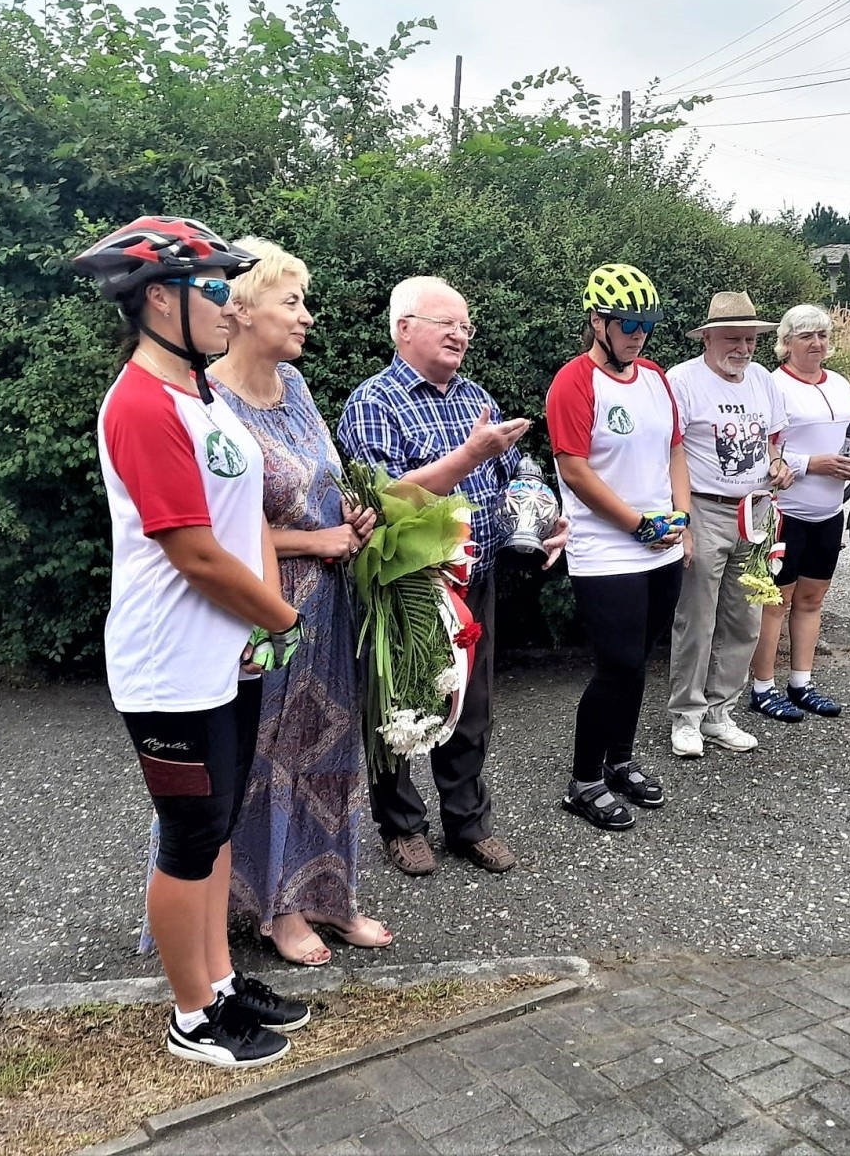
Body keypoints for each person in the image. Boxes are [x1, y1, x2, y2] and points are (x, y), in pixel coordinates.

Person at [76, 216, 308, 1069]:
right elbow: (195, 550)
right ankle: (190, 1017)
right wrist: (281, 617)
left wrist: (258, 624)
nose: (228, 305)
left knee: (215, 829)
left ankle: (217, 981)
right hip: (169, 664)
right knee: (188, 835)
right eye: (213, 289)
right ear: (159, 300)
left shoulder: (198, 392)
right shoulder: (139, 403)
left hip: (226, 652)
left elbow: (241, 521)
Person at [338, 275, 568, 875]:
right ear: (404, 328)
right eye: (447, 323)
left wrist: (543, 513)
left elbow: (518, 469)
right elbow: (388, 500)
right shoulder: (372, 402)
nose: (461, 335)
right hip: (409, 587)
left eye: (466, 325)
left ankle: (468, 822)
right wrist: (471, 455)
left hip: (478, 577)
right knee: (401, 703)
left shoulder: (476, 398)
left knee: (471, 706)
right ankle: (402, 826)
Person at [205, 238, 391, 963]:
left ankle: (330, 893)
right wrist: (314, 544)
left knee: (330, 750)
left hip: (329, 606)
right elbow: (207, 533)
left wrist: (352, 518)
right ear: (242, 310)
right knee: (269, 757)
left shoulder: (299, 390)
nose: (307, 316)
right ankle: (274, 910)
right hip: (263, 610)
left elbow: (316, 487)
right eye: (293, 302)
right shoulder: (209, 404)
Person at [548, 264, 689, 830]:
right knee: (617, 665)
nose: (638, 334)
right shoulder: (574, 381)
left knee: (639, 666)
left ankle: (620, 760)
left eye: (647, 324)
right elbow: (576, 472)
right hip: (607, 549)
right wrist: (638, 524)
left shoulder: (655, 376)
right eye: (627, 323)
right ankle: (583, 782)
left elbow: (675, 449)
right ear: (597, 322)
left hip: (663, 545)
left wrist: (680, 513)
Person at [666, 291, 794, 758]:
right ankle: (686, 715)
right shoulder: (682, 380)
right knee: (696, 618)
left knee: (746, 616)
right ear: (709, 337)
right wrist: (681, 520)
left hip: (756, 510)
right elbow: (670, 448)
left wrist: (777, 462)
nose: (743, 348)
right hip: (704, 506)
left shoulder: (761, 378)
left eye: (750, 339)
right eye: (733, 339)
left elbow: (774, 436)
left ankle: (721, 713)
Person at [746, 304, 850, 723]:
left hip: (828, 510)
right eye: (806, 336)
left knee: (811, 601)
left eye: (822, 335)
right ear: (786, 343)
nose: (816, 343)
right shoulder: (773, 386)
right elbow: (760, 450)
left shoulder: (842, 385)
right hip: (784, 511)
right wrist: (812, 463)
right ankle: (762, 687)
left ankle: (802, 682)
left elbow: (847, 440)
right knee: (775, 602)